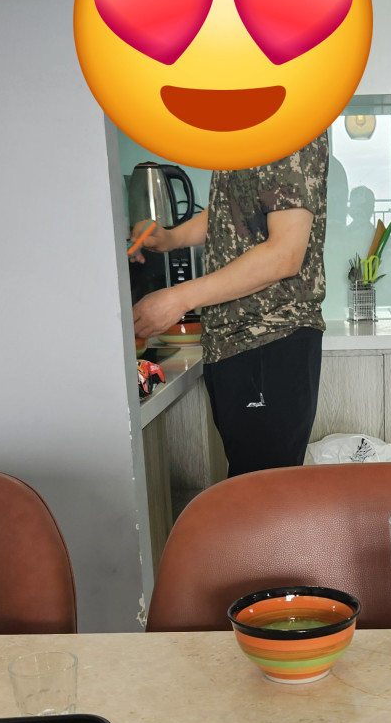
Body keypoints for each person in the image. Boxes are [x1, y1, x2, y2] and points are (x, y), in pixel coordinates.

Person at [131, 134, 328, 476]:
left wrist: (179, 298)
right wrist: (172, 237)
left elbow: (284, 255)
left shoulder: (291, 127)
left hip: (268, 337)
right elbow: (233, 210)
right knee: (251, 489)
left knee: (260, 494)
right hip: (235, 344)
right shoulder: (246, 136)